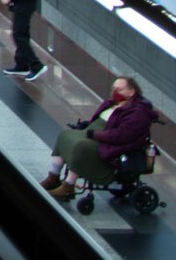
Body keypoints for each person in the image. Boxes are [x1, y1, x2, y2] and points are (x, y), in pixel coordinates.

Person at [44, 75, 157, 207]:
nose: (115, 92)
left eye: (119, 89)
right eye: (114, 88)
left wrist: (94, 134)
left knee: (81, 146)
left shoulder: (137, 113)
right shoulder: (111, 103)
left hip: (109, 142)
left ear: (131, 92)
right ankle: (53, 177)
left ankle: (68, 185)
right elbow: (97, 120)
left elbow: (121, 135)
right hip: (94, 134)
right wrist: (85, 126)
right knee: (65, 136)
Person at [0, 0, 45, 79]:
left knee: (19, 34)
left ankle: (36, 65)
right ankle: (22, 65)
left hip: (25, 3)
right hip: (19, 3)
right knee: (21, 33)